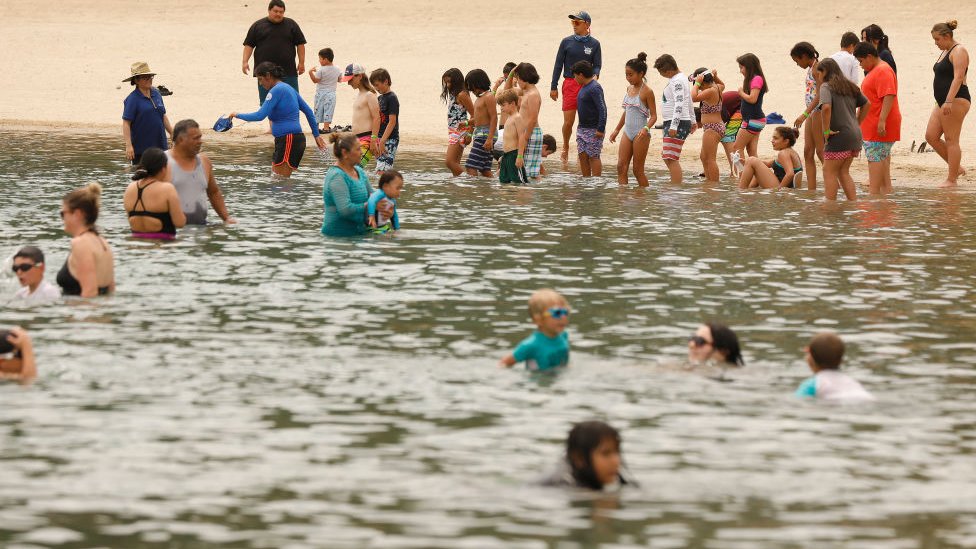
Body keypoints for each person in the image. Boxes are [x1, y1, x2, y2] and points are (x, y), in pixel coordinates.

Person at [229, 62, 324, 178]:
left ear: (268, 75)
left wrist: (236, 114)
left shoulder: (276, 90)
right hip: (288, 140)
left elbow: (260, 115)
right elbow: (308, 111)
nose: (260, 83)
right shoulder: (288, 88)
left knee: (280, 183)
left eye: (260, 79)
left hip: (289, 139)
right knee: (277, 181)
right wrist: (316, 135)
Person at [551, 11, 602, 162]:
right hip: (570, 83)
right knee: (568, 121)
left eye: (577, 23)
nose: (574, 26)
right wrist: (553, 86)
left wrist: (595, 75)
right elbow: (558, 64)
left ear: (587, 24)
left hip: (587, 84)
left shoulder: (594, 44)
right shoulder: (566, 42)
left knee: (585, 119)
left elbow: (597, 65)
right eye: (572, 23)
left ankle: (584, 148)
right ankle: (566, 146)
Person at [321, 133, 392, 237]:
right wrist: (371, 205)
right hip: (337, 239)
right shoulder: (336, 176)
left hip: (359, 234)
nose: (362, 152)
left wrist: (386, 201)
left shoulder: (359, 171)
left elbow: (373, 195)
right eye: (358, 149)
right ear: (345, 153)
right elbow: (345, 210)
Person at [817, 58, 869, 200]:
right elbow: (867, 104)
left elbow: (826, 108)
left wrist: (826, 131)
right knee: (843, 172)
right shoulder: (849, 86)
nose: (818, 77)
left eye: (819, 73)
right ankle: (853, 204)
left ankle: (830, 206)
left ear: (825, 71)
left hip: (838, 135)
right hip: (855, 135)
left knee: (828, 171)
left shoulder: (826, 87)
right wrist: (857, 122)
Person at [926, 20, 970, 188]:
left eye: (937, 39)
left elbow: (959, 77)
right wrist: (943, 101)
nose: (935, 43)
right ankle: (956, 168)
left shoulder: (959, 51)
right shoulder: (945, 51)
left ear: (947, 36)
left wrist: (949, 100)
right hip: (942, 101)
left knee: (951, 139)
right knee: (931, 136)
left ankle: (952, 180)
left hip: (956, 99)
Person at [166, 119, 235, 225]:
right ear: (180, 140)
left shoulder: (204, 162)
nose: (200, 141)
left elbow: (213, 192)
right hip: (171, 230)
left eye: (200, 137)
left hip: (201, 227)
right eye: (196, 138)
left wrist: (226, 218)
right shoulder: (162, 161)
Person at [855, 42, 901, 195]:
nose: (860, 65)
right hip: (872, 124)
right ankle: (884, 207)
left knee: (874, 185)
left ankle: (874, 207)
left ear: (869, 56)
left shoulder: (882, 70)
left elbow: (889, 94)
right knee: (884, 181)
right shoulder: (877, 69)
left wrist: (881, 121)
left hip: (878, 125)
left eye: (861, 61)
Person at [242, 0, 307, 103]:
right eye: (275, 11)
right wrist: (245, 62)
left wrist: (301, 62)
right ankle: (272, 120)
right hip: (264, 74)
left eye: (281, 12)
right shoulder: (258, 26)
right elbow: (249, 45)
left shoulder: (291, 24)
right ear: (269, 10)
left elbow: (300, 44)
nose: (278, 14)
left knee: (292, 101)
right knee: (268, 104)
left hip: (288, 71)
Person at [539, 421, 633, 490]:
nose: (616, 461)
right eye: (606, 453)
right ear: (579, 459)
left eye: (617, 452)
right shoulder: (564, 486)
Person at [58, 183, 114, 297]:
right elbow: (110, 290)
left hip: (81, 313)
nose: (62, 218)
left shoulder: (80, 243)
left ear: (77, 214)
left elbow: (90, 292)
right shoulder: (102, 242)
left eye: (63, 213)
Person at [609, 52, 656, 186]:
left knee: (637, 170)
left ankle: (643, 199)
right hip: (627, 132)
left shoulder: (647, 91)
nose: (628, 78)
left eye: (631, 74)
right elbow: (627, 111)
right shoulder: (629, 88)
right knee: (620, 167)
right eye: (626, 75)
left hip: (641, 134)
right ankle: (623, 197)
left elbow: (654, 116)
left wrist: (646, 129)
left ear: (641, 74)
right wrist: (617, 130)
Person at [499, 288, 570, 371]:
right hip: (538, 382)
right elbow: (504, 363)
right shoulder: (530, 345)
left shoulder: (563, 335)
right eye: (557, 313)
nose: (563, 317)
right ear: (538, 320)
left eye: (565, 312)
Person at [123, 147, 186, 240]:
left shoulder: (130, 188)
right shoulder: (167, 189)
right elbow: (180, 223)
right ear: (163, 168)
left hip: (136, 245)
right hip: (162, 247)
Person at [795, 332, 874, 401]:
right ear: (841, 360)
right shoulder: (851, 381)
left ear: (810, 359)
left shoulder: (813, 384)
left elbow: (798, 401)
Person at [121, 62, 172, 164]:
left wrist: (172, 133)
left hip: (161, 146)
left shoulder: (156, 93)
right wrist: (129, 146)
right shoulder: (132, 99)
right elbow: (126, 123)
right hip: (141, 149)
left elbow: (162, 115)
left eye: (151, 77)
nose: (149, 79)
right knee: (143, 177)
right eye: (145, 77)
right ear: (136, 80)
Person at [654, 54, 694, 184]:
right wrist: (693, 120)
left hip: (677, 122)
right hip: (677, 121)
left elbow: (680, 103)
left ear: (668, 71)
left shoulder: (677, 81)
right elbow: (689, 101)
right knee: (667, 156)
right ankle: (674, 185)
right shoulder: (680, 79)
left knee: (671, 158)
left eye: (661, 73)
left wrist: (674, 125)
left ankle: (675, 188)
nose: (661, 75)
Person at [791, 42, 824, 190]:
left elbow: (820, 94)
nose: (797, 65)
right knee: (808, 151)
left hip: (818, 111)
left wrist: (804, 115)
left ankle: (836, 185)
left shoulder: (818, 68)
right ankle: (812, 190)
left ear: (804, 56)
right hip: (812, 111)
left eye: (797, 61)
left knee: (821, 151)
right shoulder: (812, 67)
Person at [731, 53, 769, 165]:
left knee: (737, 148)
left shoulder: (756, 79)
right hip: (753, 120)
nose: (740, 71)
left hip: (753, 120)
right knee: (751, 152)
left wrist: (741, 93)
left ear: (749, 66)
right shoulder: (753, 79)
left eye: (741, 67)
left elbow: (752, 99)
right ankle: (758, 178)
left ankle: (743, 177)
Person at [342, 63, 381, 169]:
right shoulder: (359, 95)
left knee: (354, 169)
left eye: (350, 79)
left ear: (359, 76)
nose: (349, 83)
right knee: (346, 170)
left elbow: (377, 118)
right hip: (356, 140)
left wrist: (373, 140)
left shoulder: (370, 95)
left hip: (367, 140)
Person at [737, 127, 803, 190]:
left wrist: (779, 190)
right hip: (787, 186)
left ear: (786, 141)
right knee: (752, 162)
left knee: (751, 160)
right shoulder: (791, 152)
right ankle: (749, 190)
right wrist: (746, 162)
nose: (772, 141)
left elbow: (790, 174)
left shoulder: (783, 153)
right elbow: (768, 164)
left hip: (781, 187)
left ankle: (741, 191)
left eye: (776, 138)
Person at [572, 61, 607, 177]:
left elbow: (602, 109)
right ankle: (586, 181)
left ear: (581, 75)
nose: (574, 78)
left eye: (575, 75)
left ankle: (596, 182)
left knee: (593, 156)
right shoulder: (584, 87)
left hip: (594, 129)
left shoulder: (595, 87)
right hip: (582, 128)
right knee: (582, 155)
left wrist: (600, 128)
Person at [691, 68, 725, 182]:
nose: (699, 88)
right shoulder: (717, 87)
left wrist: (696, 84)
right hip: (714, 127)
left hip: (712, 128)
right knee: (704, 157)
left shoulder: (710, 91)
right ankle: (708, 181)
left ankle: (713, 185)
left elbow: (693, 97)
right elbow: (722, 84)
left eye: (701, 86)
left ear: (703, 82)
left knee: (710, 159)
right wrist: (716, 77)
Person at [464, 69, 498, 177]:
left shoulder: (488, 97)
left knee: (471, 166)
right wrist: (466, 123)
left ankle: (473, 191)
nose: (471, 91)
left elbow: (494, 118)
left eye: (472, 87)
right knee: (485, 169)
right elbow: (478, 119)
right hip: (482, 134)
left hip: (485, 135)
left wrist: (489, 138)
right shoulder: (480, 98)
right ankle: (488, 190)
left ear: (478, 83)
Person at [515, 63, 545, 180]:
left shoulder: (533, 94)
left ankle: (530, 195)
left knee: (529, 172)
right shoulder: (527, 92)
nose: (517, 81)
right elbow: (507, 91)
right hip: (527, 133)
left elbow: (533, 118)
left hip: (531, 133)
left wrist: (525, 137)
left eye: (518, 78)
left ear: (524, 77)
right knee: (527, 170)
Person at [441, 68, 474, 176]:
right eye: (446, 82)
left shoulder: (462, 95)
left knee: (449, 162)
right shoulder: (453, 94)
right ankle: (458, 186)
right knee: (455, 163)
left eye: (449, 82)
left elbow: (474, 115)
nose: (448, 85)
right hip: (453, 130)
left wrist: (470, 133)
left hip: (461, 130)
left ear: (456, 81)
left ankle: (470, 181)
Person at [370, 68, 400, 173]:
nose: (376, 88)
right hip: (380, 138)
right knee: (380, 167)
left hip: (390, 138)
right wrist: (376, 139)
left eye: (377, 85)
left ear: (386, 81)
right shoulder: (380, 98)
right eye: (374, 85)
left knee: (384, 169)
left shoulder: (392, 98)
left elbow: (392, 122)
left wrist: (382, 141)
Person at [497, 89, 529, 184]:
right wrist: (504, 155)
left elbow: (521, 137)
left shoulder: (517, 117)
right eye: (500, 106)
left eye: (503, 105)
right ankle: (508, 199)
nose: (501, 108)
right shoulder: (509, 118)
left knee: (519, 181)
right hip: (506, 155)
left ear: (513, 103)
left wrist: (520, 156)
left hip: (514, 154)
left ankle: (521, 198)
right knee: (503, 181)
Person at [309, 47, 341, 133]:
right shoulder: (337, 69)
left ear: (325, 59)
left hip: (320, 93)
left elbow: (315, 81)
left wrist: (310, 73)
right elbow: (340, 79)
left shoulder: (321, 70)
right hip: (331, 93)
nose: (319, 61)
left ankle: (315, 128)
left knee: (318, 109)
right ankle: (326, 128)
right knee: (328, 110)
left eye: (320, 58)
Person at [720, 90, 743, 176]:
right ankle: (734, 170)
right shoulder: (708, 112)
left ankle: (737, 172)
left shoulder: (713, 113)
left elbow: (724, 118)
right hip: (734, 106)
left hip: (742, 107)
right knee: (726, 138)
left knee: (727, 138)